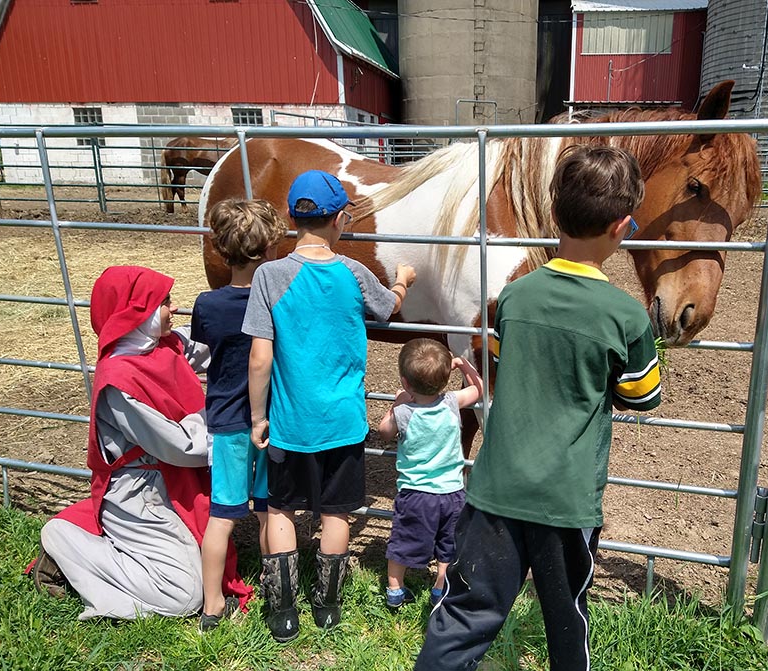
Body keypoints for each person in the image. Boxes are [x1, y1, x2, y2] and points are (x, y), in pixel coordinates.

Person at [414, 145, 663, 671]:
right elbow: (642, 397)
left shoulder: (515, 297)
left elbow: (503, 359)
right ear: (622, 227)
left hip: (495, 490)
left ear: (553, 216)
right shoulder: (628, 318)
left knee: (465, 613)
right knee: (566, 617)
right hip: (566, 502)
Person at [243, 169, 417, 641]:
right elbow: (387, 310)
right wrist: (402, 281)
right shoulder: (354, 273)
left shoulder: (268, 276)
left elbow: (260, 357)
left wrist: (258, 417)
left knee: (280, 510)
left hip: (287, 423)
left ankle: (282, 613)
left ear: (290, 218)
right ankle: (328, 606)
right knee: (336, 513)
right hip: (341, 422)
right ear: (341, 218)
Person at [32, 266, 251, 620]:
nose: (174, 308)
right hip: (139, 493)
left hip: (169, 480)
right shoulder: (118, 384)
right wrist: (228, 417)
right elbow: (184, 447)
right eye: (164, 302)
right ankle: (62, 542)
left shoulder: (162, 347)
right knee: (184, 595)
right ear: (137, 312)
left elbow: (217, 349)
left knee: (200, 567)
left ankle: (116, 550)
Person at [193, 199, 287, 631]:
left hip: (225, 422)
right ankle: (275, 594)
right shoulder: (278, 302)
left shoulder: (206, 305)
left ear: (220, 250)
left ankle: (211, 606)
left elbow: (206, 351)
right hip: (269, 421)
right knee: (269, 511)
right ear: (269, 250)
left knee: (221, 516)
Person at [376, 338, 484, 609]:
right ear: (445, 379)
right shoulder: (451, 402)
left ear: (405, 381)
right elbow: (479, 390)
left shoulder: (404, 412)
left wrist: (398, 401)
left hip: (415, 494)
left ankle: (395, 589)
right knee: (448, 543)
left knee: (403, 540)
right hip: (452, 492)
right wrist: (463, 365)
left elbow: (384, 432)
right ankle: (440, 587)